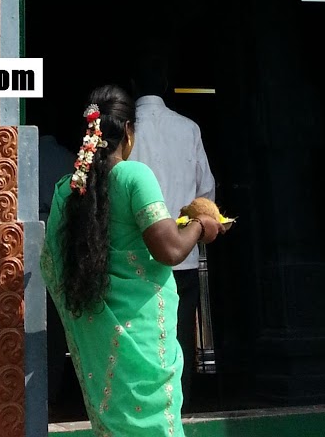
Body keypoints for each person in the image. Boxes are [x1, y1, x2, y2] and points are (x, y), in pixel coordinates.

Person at [40, 85, 226, 436]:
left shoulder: (68, 189)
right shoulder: (134, 175)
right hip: (142, 335)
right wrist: (201, 225)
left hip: (100, 335)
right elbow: (169, 249)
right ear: (128, 131)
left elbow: (52, 264)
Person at [130, 60, 217, 409]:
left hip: (134, 260)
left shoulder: (125, 132)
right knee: (178, 340)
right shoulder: (189, 129)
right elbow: (205, 195)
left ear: (133, 83)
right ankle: (180, 412)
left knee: (140, 343)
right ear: (166, 83)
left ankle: (144, 413)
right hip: (182, 256)